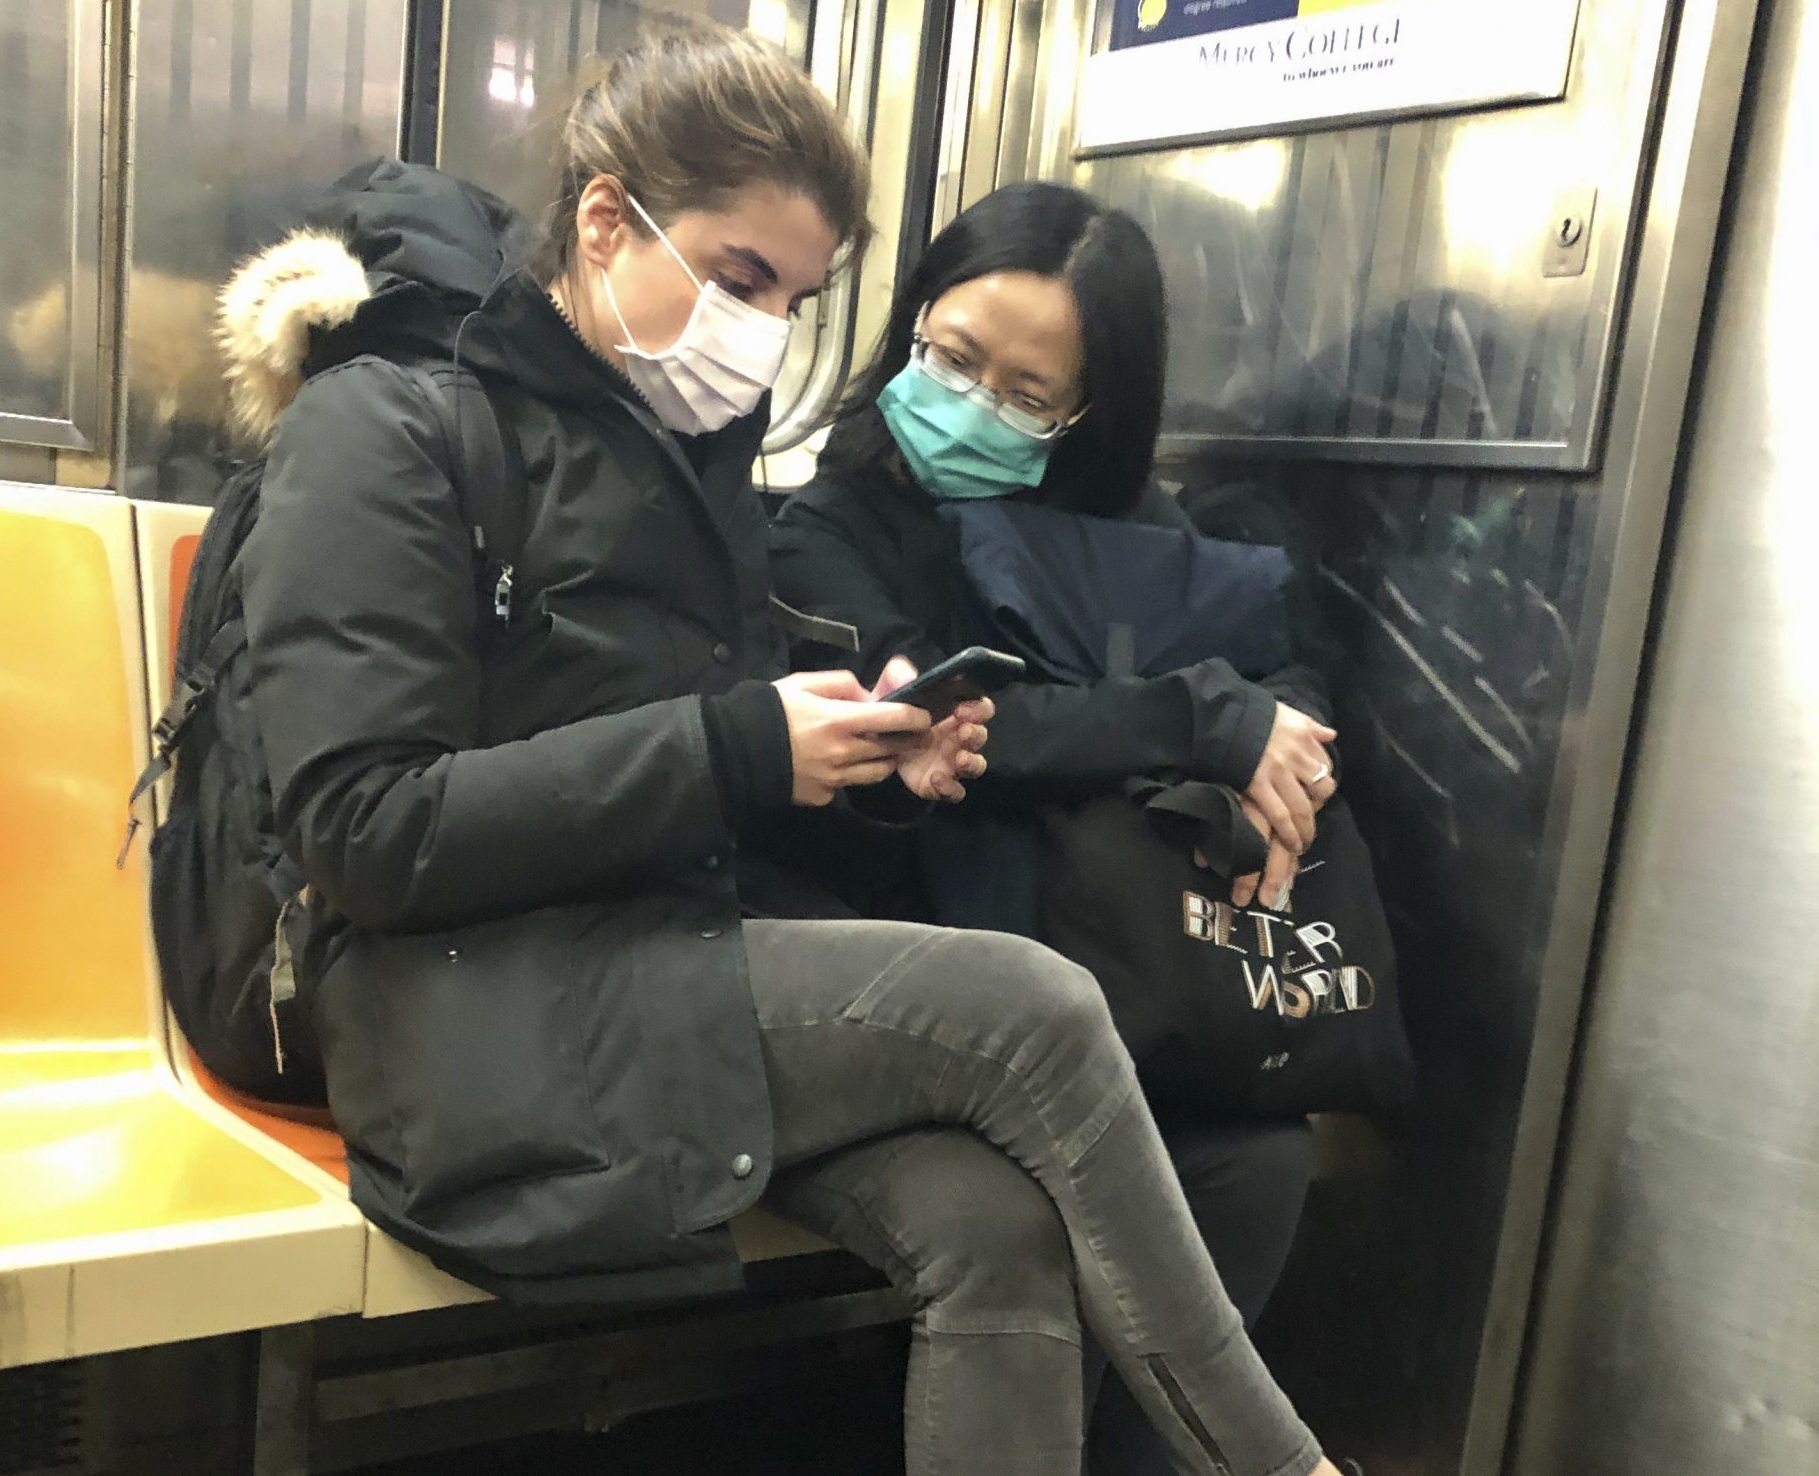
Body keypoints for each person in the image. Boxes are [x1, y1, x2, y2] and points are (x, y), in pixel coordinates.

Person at [233, 25, 1343, 1476]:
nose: (759, 332)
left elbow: (711, 760)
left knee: (994, 1225)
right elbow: (367, 829)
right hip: (457, 996)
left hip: (665, 951)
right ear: (605, 218)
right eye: (737, 278)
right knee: (1035, 1008)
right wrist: (745, 749)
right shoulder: (383, 430)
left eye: (796, 301)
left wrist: (874, 765)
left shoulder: (683, 452)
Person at [770, 181, 1342, 1472]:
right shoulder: (828, 529)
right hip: (914, 949)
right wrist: (1196, 721)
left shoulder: (1125, 532)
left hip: (1119, 955)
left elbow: (1266, 664)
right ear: (911, 324)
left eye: (1027, 394)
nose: (973, 405)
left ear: (1091, 412)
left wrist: (1278, 745)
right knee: (1047, 1188)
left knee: (1255, 1158)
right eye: (953, 358)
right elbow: (958, 729)